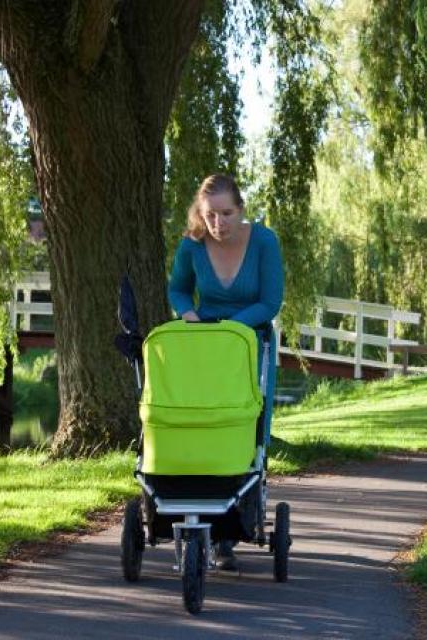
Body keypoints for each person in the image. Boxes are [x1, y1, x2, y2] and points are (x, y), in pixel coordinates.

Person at [168, 173, 284, 570]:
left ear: (241, 208)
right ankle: (196, 511)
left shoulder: (264, 242)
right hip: (205, 346)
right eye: (210, 215)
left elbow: (270, 301)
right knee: (205, 421)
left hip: (251, 345)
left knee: (245, 427)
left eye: (227, 213)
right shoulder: (192, 245)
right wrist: (189, 315)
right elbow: (178, 289)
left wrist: (232, 330)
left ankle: (230, 531)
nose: (218, 223)